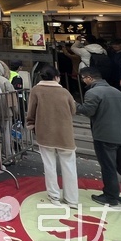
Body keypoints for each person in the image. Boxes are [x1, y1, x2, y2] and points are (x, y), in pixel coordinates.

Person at [76, 67, 121, 210]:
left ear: (89, 78)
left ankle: (110, 196)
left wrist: (74, 105)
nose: (83, 81)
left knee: (108, 167)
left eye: (83, 78)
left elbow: (88, 111)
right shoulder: (118, 93)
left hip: (103, 135)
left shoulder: (92, 93)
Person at [25, 63, 79, 206]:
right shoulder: (65, 92)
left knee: (49, 165)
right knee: (69, 166)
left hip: (45, 132)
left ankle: (54, 196)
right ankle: (72, 199)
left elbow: (31, 111)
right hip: (65, 134)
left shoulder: (36, 90)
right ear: (56, 77)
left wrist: (31, 125)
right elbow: (73, 110)